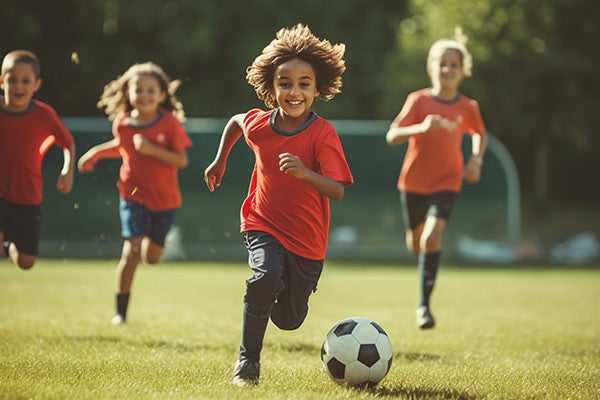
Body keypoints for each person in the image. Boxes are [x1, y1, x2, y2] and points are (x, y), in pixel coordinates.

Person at [204, 24, 353, 386]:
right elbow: (236, 122)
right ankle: (247, 363)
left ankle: (281, 288)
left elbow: (337, 190)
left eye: (304, 83)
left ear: (318, 89)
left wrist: (304, 173)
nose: (294, 91)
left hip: (307, 242)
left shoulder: (322, 134)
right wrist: (220, 159)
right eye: (285, 83)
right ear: (271, 88)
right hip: (262, 222)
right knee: (264, 276)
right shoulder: (260, 125)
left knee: (289, 320)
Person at [385, 28, 487, 329]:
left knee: (432, 238)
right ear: (431, 68)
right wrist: (420, 128)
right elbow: (392, 135)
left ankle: (423, 307)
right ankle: (418, 252)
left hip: (447, 182)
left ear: (463, 71)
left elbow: (479, 133)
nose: (447, 69)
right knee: (416, 245)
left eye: (454, 64)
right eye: (442, 63)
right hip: (413, 183)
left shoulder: (468, 107)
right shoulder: (418, 101)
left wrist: (476, 159)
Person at [78, 62, 192, 325]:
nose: (144, 95)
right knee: (130, 252)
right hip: (132, 195)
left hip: (165, 201)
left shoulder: (170, 123)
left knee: (151, 258)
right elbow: (123, 147)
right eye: (138, 90)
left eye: (151, 90)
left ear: (162, 95)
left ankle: (156, 244)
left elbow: (181, 159)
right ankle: (120, 312)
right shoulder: (123, 124)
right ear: (128, 93)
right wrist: (95, 153)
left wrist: (151, 149)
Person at [0, 50, 75, 270]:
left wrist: (67, 171)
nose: (18, 87)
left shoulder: (44, 115)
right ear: (2, 81)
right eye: (12, 80)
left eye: (25, 81)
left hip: (27, 195)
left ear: (36, 85)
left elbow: (68, 143)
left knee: (26, 261)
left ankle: (7, 246)